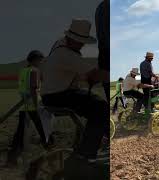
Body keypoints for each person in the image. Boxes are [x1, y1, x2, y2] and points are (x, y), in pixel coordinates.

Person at [39, 19, 108, 175]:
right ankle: (85, 154)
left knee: (94, 103)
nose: (82, 45)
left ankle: (96, 139)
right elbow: (96, 74)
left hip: (51, 94)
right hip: (59, 95)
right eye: (80, 42)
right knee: (100, 107)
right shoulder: (67, 54)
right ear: (73, 39)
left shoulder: (59, 44)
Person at [6, 50, 51, 166]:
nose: (41, 62)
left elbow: (23, 88)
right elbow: (33, 89)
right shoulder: (35, 71)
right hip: (33, 106)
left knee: (19, 134)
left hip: (24, 106)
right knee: (44, 129)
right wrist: (37, 106)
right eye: (40, 60)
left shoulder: (23, 71)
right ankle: (52, 153)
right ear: (35, 60)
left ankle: (11, 159)